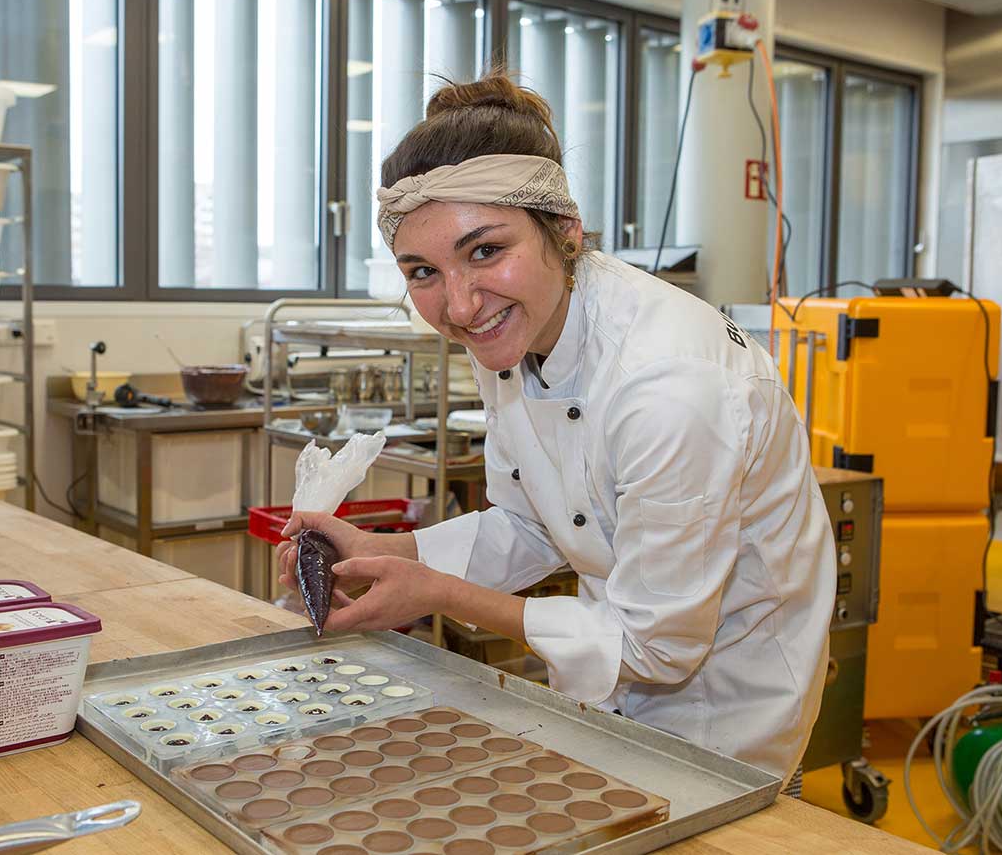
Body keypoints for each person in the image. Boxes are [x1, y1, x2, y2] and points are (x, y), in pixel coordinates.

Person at [277, 70, 835, 785]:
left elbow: (661, 649)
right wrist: (394, 550)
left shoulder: (668, 383)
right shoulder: (512, 327)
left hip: (727, 703)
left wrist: (440, 594)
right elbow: (532, 525)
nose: (458, 303)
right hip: (608, 675)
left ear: (565, 233)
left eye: (485, 250)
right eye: (422, 271)